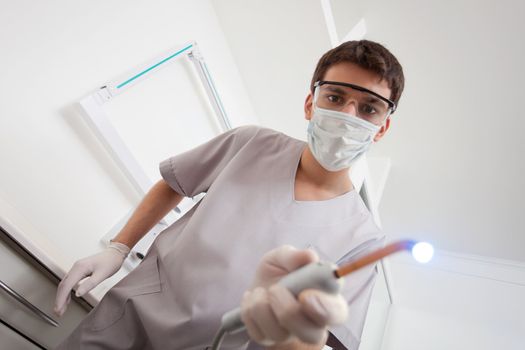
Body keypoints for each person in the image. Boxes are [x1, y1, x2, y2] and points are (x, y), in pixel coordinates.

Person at [54, 39, 405, 350]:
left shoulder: (364, 242)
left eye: (369, 108)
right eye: (335, 97)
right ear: (310, 104)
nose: (347, 115)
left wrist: (293, 336)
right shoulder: (251, 143)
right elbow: (174, 183)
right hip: (128, 318)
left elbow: (322, 339)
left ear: (382, 127)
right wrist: (119, 248)